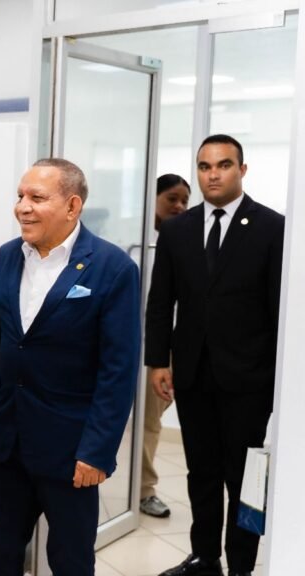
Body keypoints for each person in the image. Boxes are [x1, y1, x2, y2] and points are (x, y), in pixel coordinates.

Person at [0, 158, 141, 576]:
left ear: (72, 206)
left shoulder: (112, 268)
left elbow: (117, 372)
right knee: (0, 552)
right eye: (20, 196)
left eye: (37, 198)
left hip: (70, 450)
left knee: (70, 561)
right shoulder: (9, 256)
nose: (22, 207)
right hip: (7, 440)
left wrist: (97, 450)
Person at [147, 135, 283, 576]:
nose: (213, 174)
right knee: (201, 473)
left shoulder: (273, 227)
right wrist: (158, 360)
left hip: (249, 379)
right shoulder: (177, 230)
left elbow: (279, 309)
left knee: (246, 479)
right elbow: (161, 300)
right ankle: (205, 557)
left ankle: (242, 565)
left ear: (242, 170)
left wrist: (278, 378)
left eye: (224, 165)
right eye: (205, 166)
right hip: (192, 375)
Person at [140, 173, 191, 519]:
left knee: (150, 421)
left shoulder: (183, 243)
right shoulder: (136, 242)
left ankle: (144, 490)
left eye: (185, 200)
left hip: (160, 351)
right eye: (172, 198)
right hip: (124, 344)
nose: (180, 206)